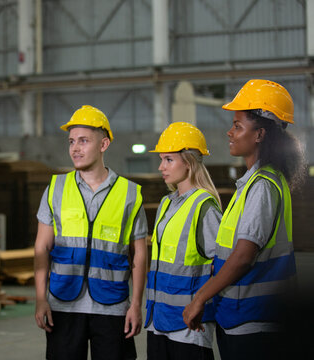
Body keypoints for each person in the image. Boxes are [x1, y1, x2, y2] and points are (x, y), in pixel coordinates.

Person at [182, 79, 306, 360]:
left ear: (260, 134)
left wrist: (200, 298)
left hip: (253, 321)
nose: (230, 132)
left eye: (238, 126)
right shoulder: (257, 182)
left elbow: (242, 257)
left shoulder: (262, 185)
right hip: (243, 315)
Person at [34, 105, 148, 360]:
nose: (75, 148)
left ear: (103, 144)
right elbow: (42, 248)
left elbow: (139, 255)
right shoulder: (55, 188)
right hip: (63, 303)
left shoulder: (130, 194)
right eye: (72, 141)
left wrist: (136, 305)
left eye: (83, 141)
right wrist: (41, 298)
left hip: (113, 306)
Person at [145, 122, 222, 360]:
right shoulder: (166, 204)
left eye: (168, 159)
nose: (161, 167)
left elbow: (223, 266)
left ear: (188, 163)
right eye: (161, 159)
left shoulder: (204, 206)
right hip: (157, 319)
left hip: (189, 325)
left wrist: (200, 304)